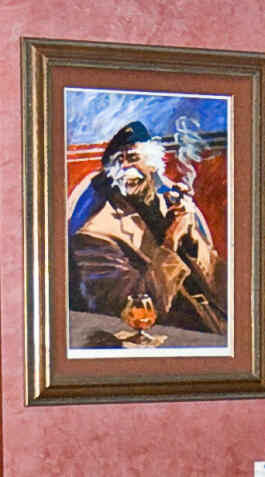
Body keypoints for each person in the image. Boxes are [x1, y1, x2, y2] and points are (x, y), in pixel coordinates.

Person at [65, 122, 224, 334]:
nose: (125, 169)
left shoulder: (166, 203)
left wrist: (191, 239)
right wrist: (170, 242)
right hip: (170, 335)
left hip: (216, 323)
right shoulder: (94, 234)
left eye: (132, 158)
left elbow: (218, 284)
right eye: (117, 162)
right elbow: (134, 308)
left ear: (153, 164)